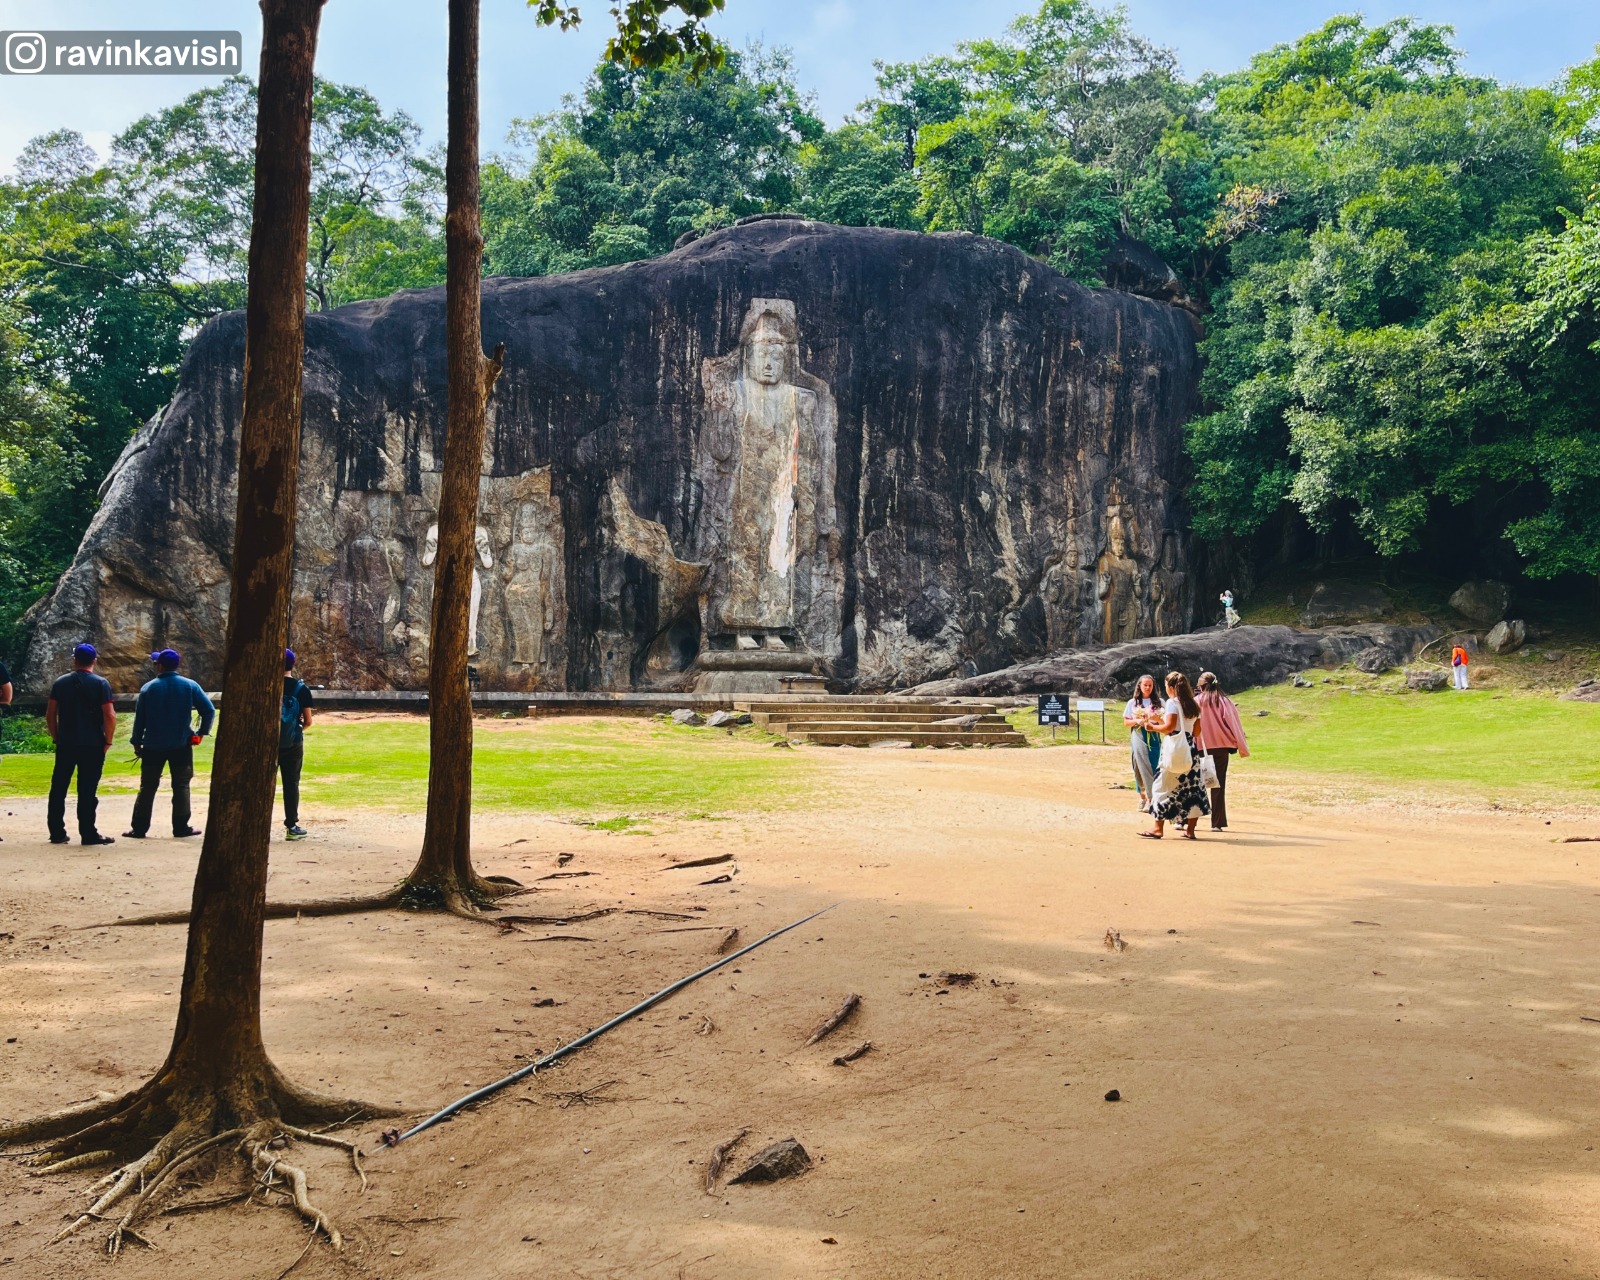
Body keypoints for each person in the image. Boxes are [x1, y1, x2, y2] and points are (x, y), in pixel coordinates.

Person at [125, 649, 214, 839]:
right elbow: (209, 710)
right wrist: (201, 734)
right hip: (181, 744)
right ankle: (181, 827)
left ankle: (139, 828)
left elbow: (140, 720)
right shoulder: (189, 686)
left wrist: (136, 742)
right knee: (181, 785)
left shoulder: (148, 688)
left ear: (160, 666)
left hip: (153, 745)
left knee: (148, 786)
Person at [46, 643, 116, 846]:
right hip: (92, 743)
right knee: (87, 789)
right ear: (95, 660)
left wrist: (56, 736)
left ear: (74, 660)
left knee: (59, 787)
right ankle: (88, 832)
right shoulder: (101, 684)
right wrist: (108, 740)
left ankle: (57, 831)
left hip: (67, 742)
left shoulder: (60, 683)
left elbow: (51, 713)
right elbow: (109, 715)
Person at [1141, 670, 1209, 841]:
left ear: (1171, 687)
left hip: (1173, 749)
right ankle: (1190, 830)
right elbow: (1197, 731)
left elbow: (1169, 728)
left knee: (1161, 786)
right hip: (1190, 750)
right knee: (1193, 788)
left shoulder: (1172, 703)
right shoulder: (1194, 704)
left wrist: (1152, 726)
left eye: (1166, 686)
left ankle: (1158, 828)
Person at [1195, 671, 1249, 831]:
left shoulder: (1196, 702)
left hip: (1200, 747)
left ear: (1200, 686)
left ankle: (1187, 821)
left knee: (1197, 784)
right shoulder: (1224, 701)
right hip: (1221, 747)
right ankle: (1217, 823)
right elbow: (1235, 725)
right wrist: (1242, 748)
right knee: (1218, 785)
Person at [279, 648, 314, 840]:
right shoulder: (301, 690)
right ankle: (291, 825)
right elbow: (308, 721)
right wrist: (295, 729)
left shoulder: (266, 685)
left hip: (269, 743)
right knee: (291, 783)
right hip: (293, 743)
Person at [1122, 674, 1163, 812]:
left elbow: (1164, 721)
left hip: (1153, 735)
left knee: (1153, 764)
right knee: (1138, 764)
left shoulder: (1159, 702)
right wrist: (1137, 721)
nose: (1147, 688)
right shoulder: (1132, 703)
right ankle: (1143, 795)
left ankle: (1152, 798)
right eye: (1145, 685)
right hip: (1138, 735)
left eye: (1150, 685)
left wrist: (1153, 721)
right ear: (1139, 686)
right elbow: (1126, 722)